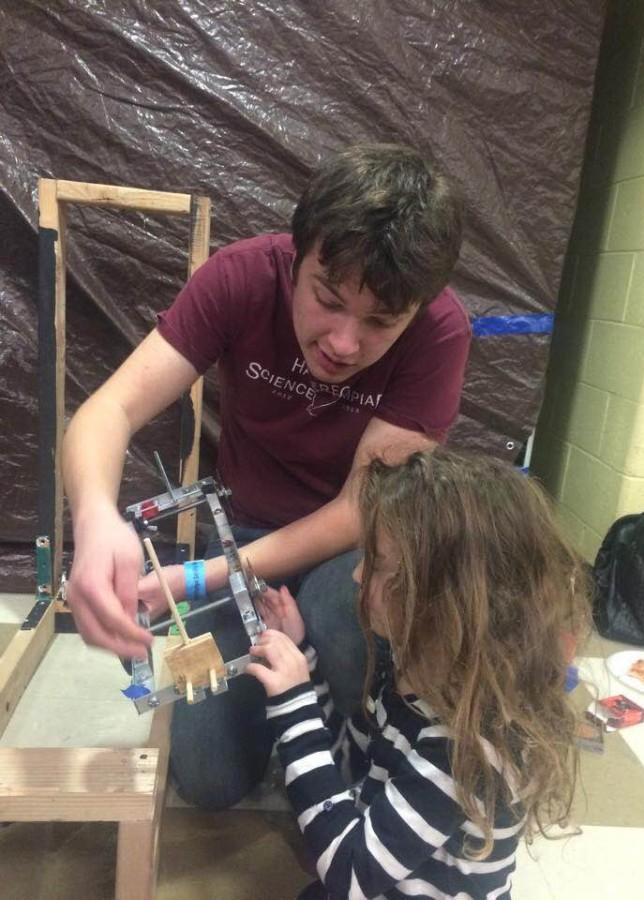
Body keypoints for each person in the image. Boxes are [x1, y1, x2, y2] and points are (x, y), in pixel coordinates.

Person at [62, 143, 471, 807]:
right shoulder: (242, 277)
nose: (343, 343)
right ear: (298, 255)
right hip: (248, 531)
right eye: (327, 299)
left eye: (379, 323)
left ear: (416, 309)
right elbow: (108, 410)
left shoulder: (441, 331)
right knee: (209, 782)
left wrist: (197, 577)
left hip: (356, 550)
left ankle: (359, 757)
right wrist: (94, 519)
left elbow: (358, 510)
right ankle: (290, 714)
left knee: (341, 615)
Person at [247, 447, 590, 900]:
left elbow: (348, 876)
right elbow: (350, 764)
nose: (356, 576)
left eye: (376, 561)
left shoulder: (467, 751)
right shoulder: (414, 677)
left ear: (441, 598)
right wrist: (304, 659)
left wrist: (294, 711)